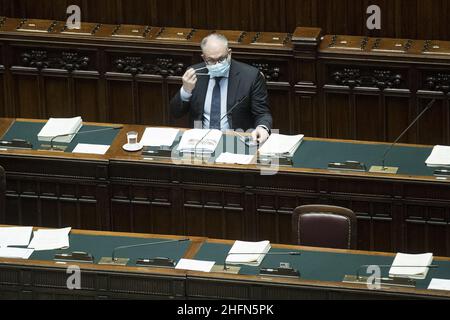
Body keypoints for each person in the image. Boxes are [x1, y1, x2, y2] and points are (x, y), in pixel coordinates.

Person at [169, 33, 273, 144]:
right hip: (200, 142)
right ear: (204, 57)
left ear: (229, 53)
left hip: (237, 142)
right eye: (211, 60)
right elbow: (176, 113)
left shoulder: (250, 76)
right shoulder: (194, 74)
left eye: (221, 59)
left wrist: (262, 128)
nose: (217, 64)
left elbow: (262, 113)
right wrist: (186, 91)